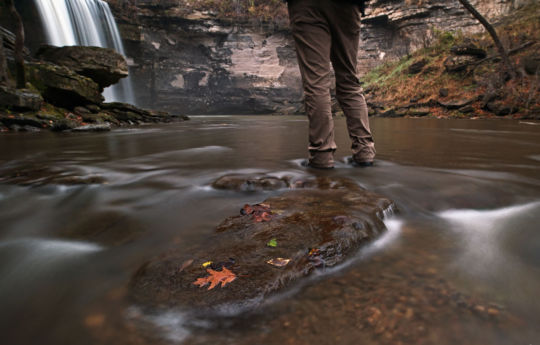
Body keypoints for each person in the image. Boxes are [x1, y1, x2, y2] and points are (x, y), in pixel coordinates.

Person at [286, 0, 375, 169]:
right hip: (347, 6)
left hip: (306, 5)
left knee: (316, 84)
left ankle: (321, 156)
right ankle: (364, 152)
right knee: (349, 81)